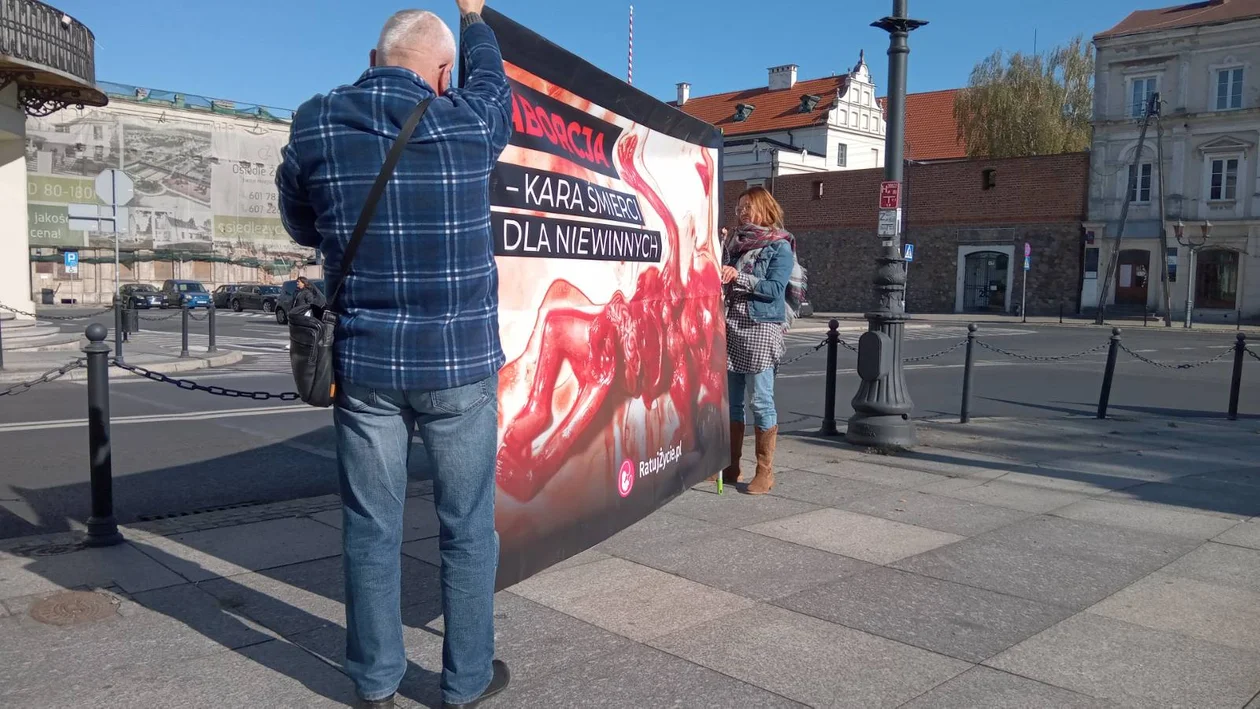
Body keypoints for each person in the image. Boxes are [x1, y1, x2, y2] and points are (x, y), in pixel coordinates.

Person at [275, 2, 512, 708]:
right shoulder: (466, 119)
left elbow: (298, 218)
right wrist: (474, 17)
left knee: (370, 526)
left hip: (366, 365)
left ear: (374, 61)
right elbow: (493, 80)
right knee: (468, 527)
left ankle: (376, 678)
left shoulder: (317, 121)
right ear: (442, 75)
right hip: (458, 364)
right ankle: (466, 680)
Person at [718, 187, 798, 495]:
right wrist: (719, 246)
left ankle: (765, 472)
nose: (742, 213)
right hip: (732, 325)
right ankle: (731, 465)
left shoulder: (780, 246)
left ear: (764, 208)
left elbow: (774, 288)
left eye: (748, 207)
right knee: (732, 403)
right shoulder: (735, 244)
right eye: (739, 208)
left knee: (761, 401)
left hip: (761, 327)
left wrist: (738, 277)